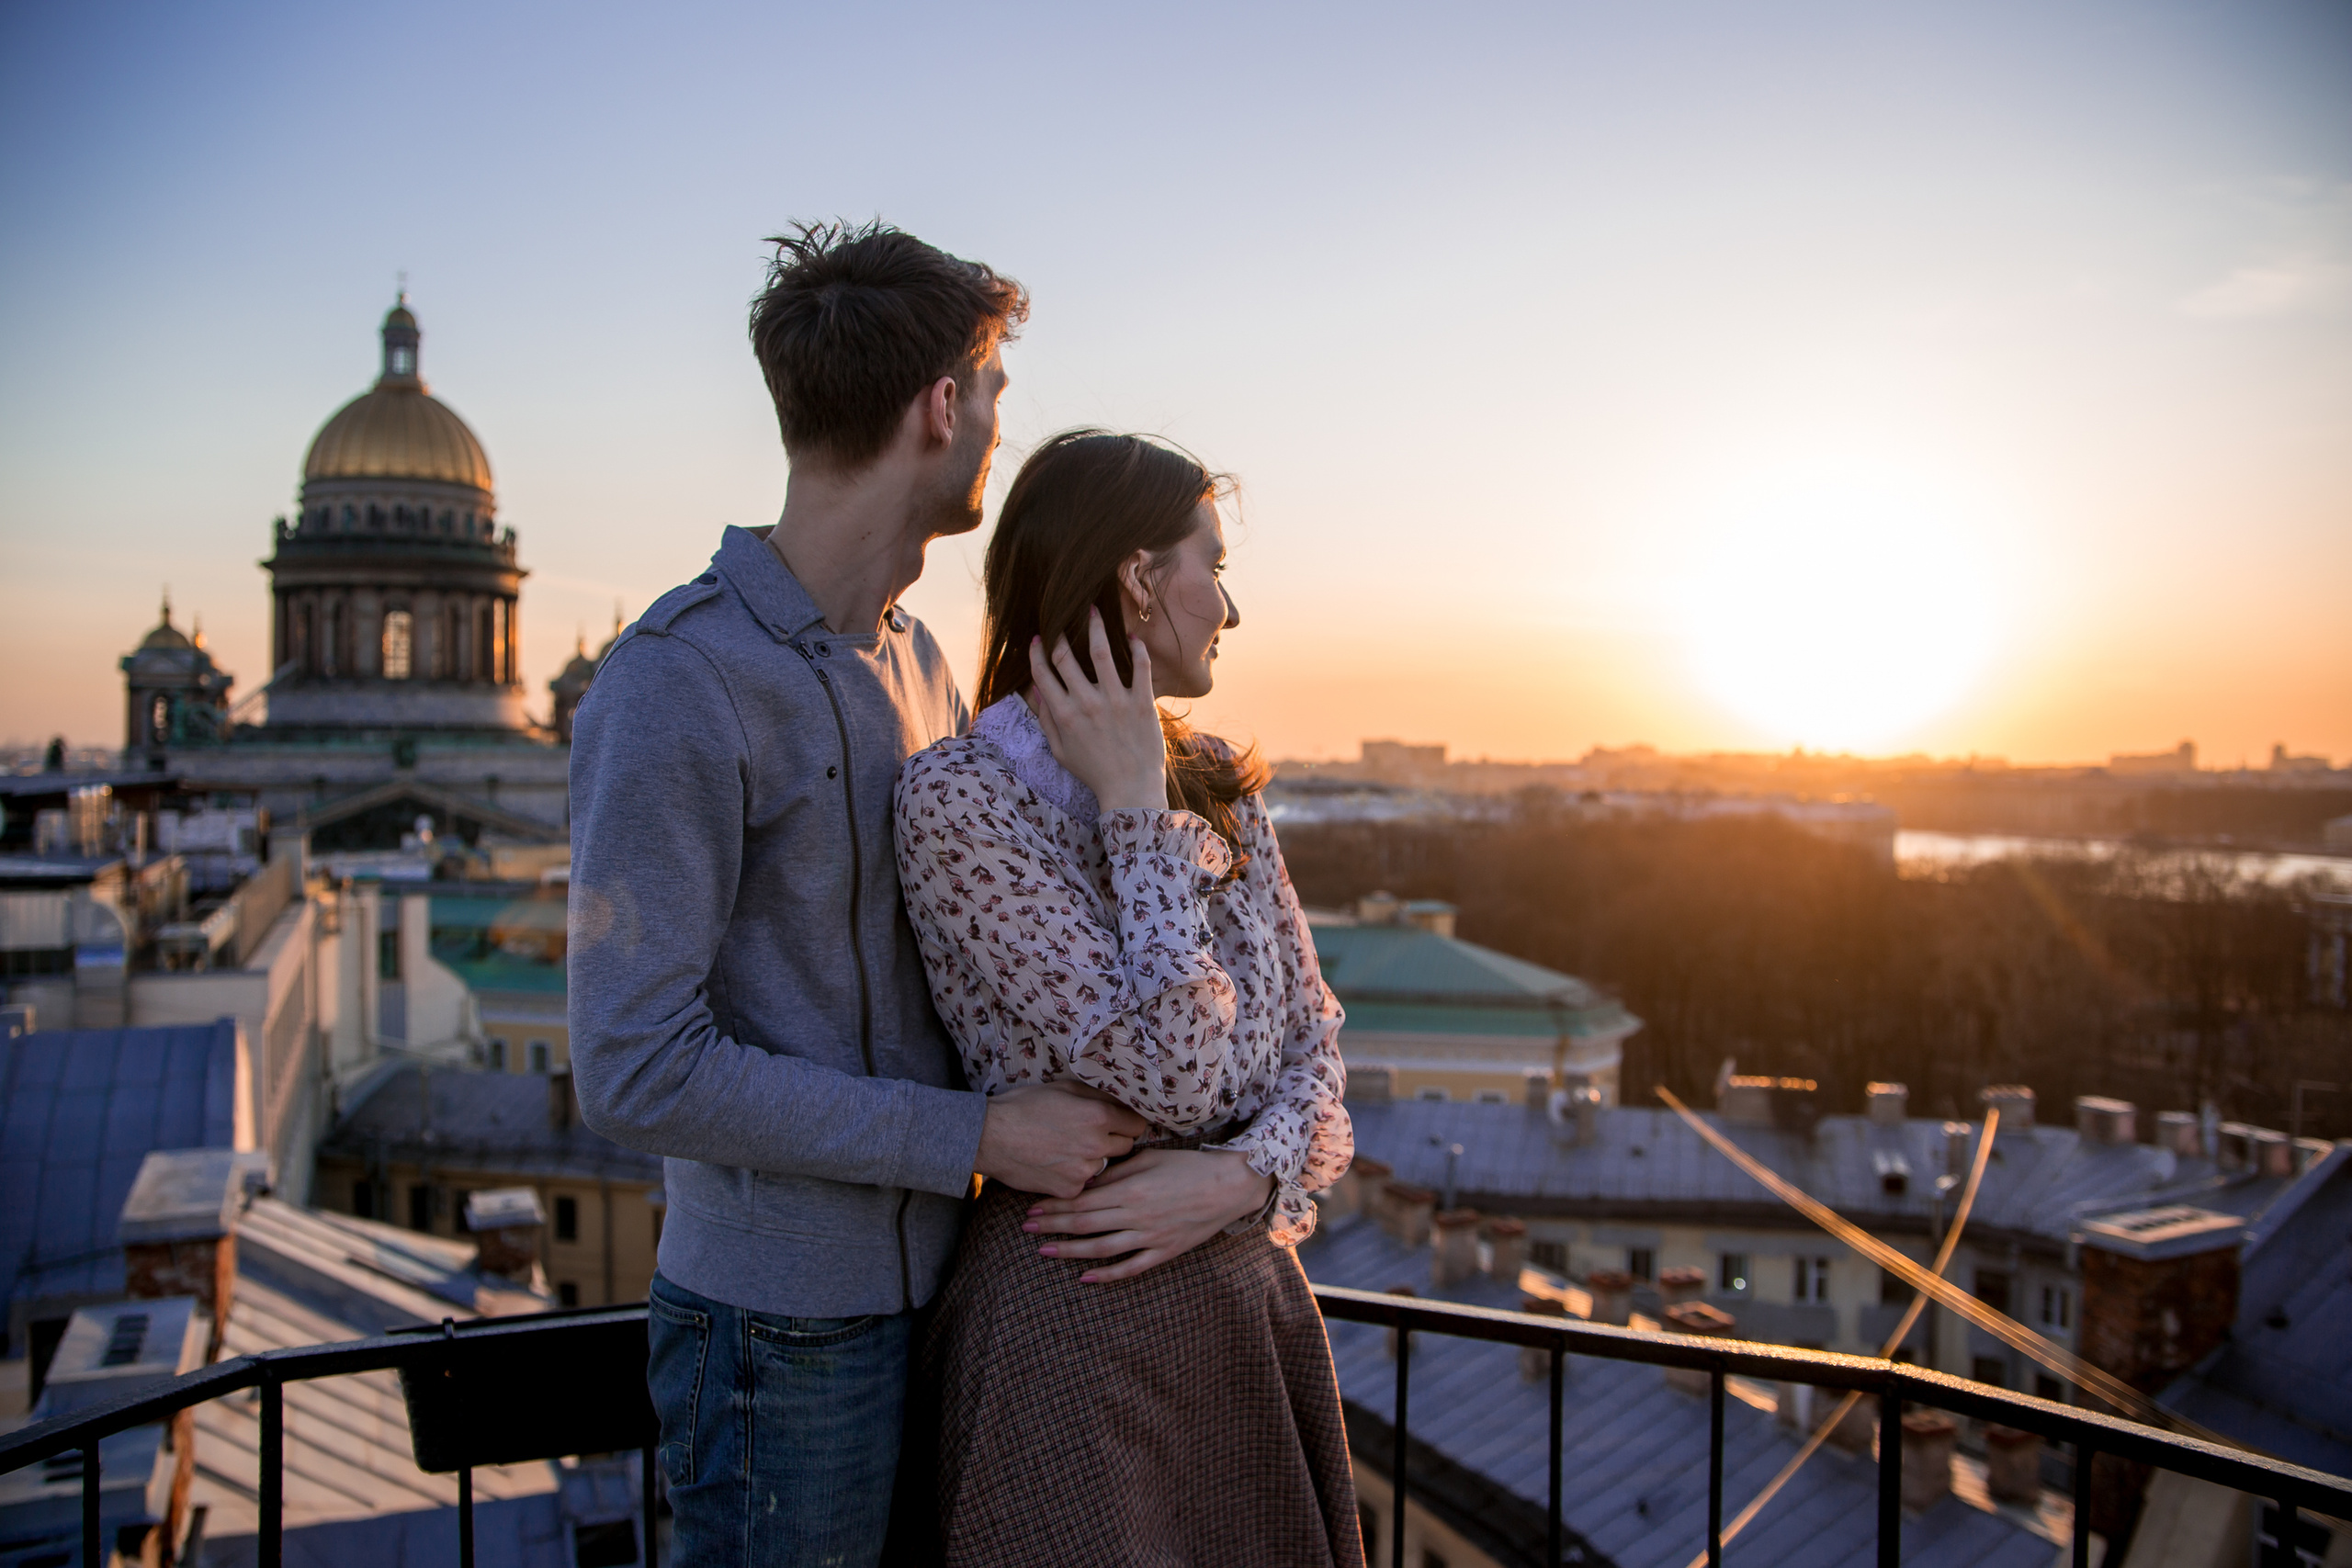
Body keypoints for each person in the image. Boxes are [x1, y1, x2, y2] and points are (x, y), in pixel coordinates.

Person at [566, 225, 1153, 1568]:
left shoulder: (920, 658)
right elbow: (633, 1069)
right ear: (941, 407)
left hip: (944, 1291)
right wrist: (977, 1134)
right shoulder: (675, 680)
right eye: (993, 391)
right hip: (781, 1334)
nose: (997, 428)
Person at [893, 429, 1363, 1566]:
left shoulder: (1222, 786)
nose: (1230, 608)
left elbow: (1316, 1051)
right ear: (1140, 579)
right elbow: (1174, 1071)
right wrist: (1135, 809)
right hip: (1073, 1333)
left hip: (1247, 1320)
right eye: (1213, 566)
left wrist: (1239, 1178)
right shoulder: (963, 800)